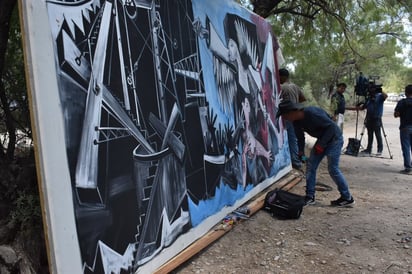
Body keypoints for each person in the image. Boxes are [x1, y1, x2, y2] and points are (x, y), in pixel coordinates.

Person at [277, 100, 355, 207]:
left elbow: (331, 127)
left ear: (292, 112)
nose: (284, 119)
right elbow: (300, 137)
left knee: (333, 168)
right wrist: (301, 151)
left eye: (285, 115)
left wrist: (321, 145)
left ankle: (347, 197)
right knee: (310, 166)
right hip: (322, 140)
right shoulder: (296, 121)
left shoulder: (312, 113)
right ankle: (310, 196)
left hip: (334, 139)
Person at [279, 68, 307, 169]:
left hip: (289, 115)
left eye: (279, 77)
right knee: (299, 137)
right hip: (298, 114)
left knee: (291, 138)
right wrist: (296, 103)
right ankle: (302, 158)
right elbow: (303, 98)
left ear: (283, 77)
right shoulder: (295, 86)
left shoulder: (282, 87)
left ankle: (295, 162)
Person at [359, 84, 388, 156]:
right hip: (369, 118)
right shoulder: (369, 98)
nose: (371, 90)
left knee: (378, 134)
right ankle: (369, 149)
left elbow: (386, 96)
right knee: (370, 134)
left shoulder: (379, 96)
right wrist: (360, 105)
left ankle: (379, 150)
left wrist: (381, 90)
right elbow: (364, 107)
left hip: (376, 118)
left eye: (372, 89)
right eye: (370, 89)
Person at [394, 85, 412, 175]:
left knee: (406, 147)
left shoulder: (402, 102)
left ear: (406, 92)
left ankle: (408, 168)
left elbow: (396, 114)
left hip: (405, 127)